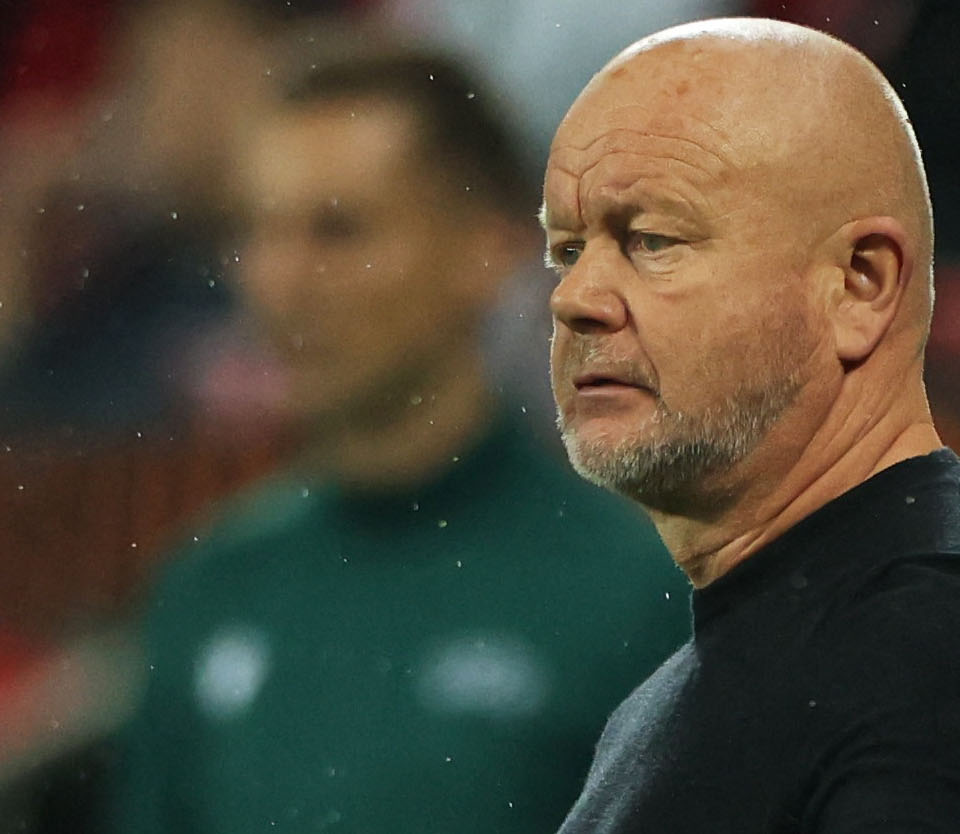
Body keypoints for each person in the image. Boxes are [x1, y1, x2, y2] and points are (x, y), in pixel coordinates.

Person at [540, 17, 960, 833]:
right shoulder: (724, 679)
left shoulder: (933, 645)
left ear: (860, 286)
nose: (575, 298)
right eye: (566, 250)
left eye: (652, 240)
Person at [109, 38, 688, 834]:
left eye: (337, 230)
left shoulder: (633, 596)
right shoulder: (209, 588)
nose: (277, 281)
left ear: (486, 249)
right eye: (257, 231)